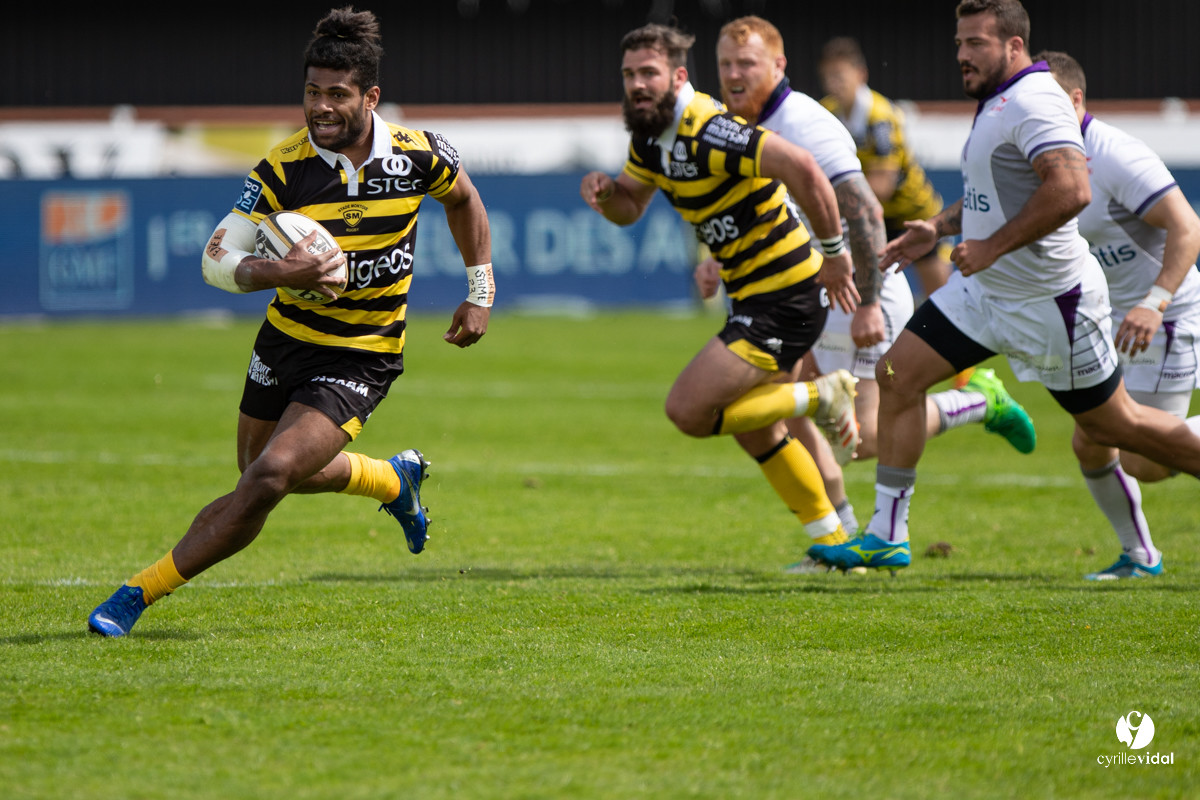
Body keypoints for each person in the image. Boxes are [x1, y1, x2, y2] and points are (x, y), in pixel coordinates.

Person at [87, 7, 495, 636]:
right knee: (258, 470)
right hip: (282, 344)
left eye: (337, 94)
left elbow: (464, 199)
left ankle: (136, 593)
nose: (321, 107)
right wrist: (284, 274)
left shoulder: (418, 155)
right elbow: (215, 259)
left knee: (272, 476)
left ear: (371, 96)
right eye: (311, 92)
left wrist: (480, 289)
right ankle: (392, 480)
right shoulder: (282, 170)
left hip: (361, 354)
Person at [808, 0, 1200, 574]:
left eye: (977, 43)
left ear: (1014, 47)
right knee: (896, 375)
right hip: (986, 295)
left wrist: (991, 247)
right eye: (960, 43)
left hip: (1050, 305)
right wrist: (937, 229)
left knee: (1118, 431)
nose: (962, 55)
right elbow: (997, 195)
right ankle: (887, 532)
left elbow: (1071, 189)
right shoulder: (1000, 102)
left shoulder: (1037, 100)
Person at [704, 15, 1034, 565]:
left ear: (778, 66)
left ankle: (976, 401)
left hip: (869, 276)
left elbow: (867, 207)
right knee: (779, 411)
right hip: (804, 291)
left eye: (747, 64)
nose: (734, 75)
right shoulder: (746, 125)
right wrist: (723, 261)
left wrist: (868, 301)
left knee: (865, 440)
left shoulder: (811, 122)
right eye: (727, 65)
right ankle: (837, 536)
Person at [580, 22, 863, 559]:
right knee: (756, 424)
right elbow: (631, 206)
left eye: (649, 73)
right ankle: (833, 542)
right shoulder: (650, 136)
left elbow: (802, 166)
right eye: (628, 75)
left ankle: (823, 394)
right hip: (756, 296)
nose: (637, 85)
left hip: (787, 295)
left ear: (677, 76)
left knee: (689, 410)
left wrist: (834, 253)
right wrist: (606, 192)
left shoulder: (708, 128)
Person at [1040, 49, 1200, 579]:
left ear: (1076, 100)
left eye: (1049, 102)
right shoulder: (1040, 157)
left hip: (1166, 314)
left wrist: (1154, 302)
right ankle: (1139, 554)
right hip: (1108, 320)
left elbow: (1187, 227)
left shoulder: (1115, 156)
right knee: (1092, 436)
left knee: (1145, 460)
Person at [818, 35, 954, 306]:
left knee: (940, 303)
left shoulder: (880, 117)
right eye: (828, 77)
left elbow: (882, 187)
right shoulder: (825, 112)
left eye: (840, 76)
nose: (834, 84)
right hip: (872, 214)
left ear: (861, 74)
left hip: (912, 215)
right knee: (865, 299)